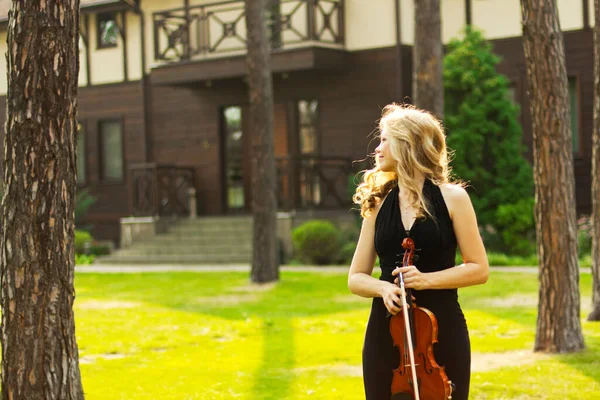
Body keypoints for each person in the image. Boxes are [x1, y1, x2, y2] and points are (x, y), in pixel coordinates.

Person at [348, 103, 489, 400]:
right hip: (385, 334)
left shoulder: (454, 198)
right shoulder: (378, 203)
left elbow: (478, 268)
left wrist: (425, 280)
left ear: (408, 144)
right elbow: (356, 277)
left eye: (385, 139)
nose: (377, 148)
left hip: (442, 329)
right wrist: (384, 288)